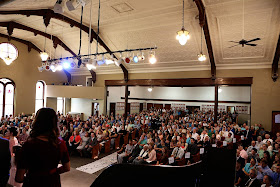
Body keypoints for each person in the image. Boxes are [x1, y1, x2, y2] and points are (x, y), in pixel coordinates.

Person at [15, 108, 70, 187]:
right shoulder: (60, 143)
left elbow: (19, 178)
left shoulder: (29, 144)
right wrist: (52, 172)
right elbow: (67, 168)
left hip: (33, 182)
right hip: (53, 182)